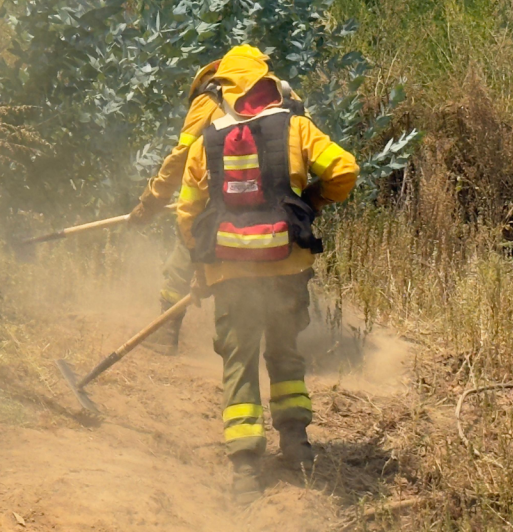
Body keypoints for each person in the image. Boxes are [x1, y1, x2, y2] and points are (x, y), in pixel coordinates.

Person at [174, 44, 358, 504]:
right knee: (284, 351)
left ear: (228, 89)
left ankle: (245, 472)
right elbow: (345, 170)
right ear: (265, 81)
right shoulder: (296, 127)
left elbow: (186, 215)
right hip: (285, 266)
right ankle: (296, 447)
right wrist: (310, 202)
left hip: (229, 273)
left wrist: (202, 267)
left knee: (239, 365)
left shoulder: (205, 142)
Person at [128, 49, 305, 355]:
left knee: (185, 256)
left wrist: (152, 201)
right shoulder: (287, 97)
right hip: (282, 206)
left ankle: (165, 335)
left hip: (228, 200)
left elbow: (181, 157)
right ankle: (286, 344)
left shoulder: (210, 99)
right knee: (284, 268)